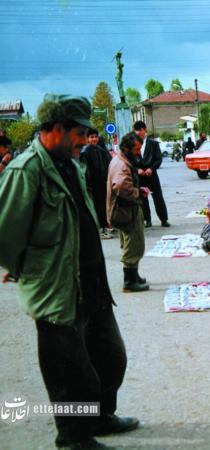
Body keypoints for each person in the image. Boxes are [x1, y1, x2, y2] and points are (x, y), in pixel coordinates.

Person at [0, 94, 138, 450]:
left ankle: (101, 418)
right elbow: (4, 234)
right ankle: (73, 437)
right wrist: (20, 268)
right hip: (55, 290)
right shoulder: (25, 170)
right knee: (70, 373)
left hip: (91, 285)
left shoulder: (70, 165)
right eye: (78, 132)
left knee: (111, 358)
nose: (83, 140)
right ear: (56, 129)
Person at [107, 132, 150, 293]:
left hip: (126, 209)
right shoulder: (121, 164)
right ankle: (129, 281)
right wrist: (137, 192)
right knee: (133, 244)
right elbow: (120, 186)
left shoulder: (121, 160)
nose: (139, 153)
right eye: (137, 149)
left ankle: (134, 275)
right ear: (127, 148)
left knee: (133, 242)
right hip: (126, 210)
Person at [133, 120, 170, 228]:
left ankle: (164, 219)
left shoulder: (153, 144)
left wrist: (151, 168)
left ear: (144, 130)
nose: (138, 133)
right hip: (140, 176)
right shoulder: (133, 144)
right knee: (143, 199)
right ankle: (147, 220)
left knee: (158, 197)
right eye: (136, 131)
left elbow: (158, 159)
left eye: (140, 130)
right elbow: (130, 161)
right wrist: (137, 169)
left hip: (151, 175)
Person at [80, 128, 113, 238]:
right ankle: (100, 229)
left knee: (103, 205)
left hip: (103, 182)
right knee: (96, 207)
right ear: (88, 139)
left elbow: (108, 164)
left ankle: (104, 227)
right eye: (91, 137)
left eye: (95, 137)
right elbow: (86, 171)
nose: (94, 139)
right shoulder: (85, 152)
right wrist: (89, 184)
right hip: (93, 184)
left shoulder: (101, 150)